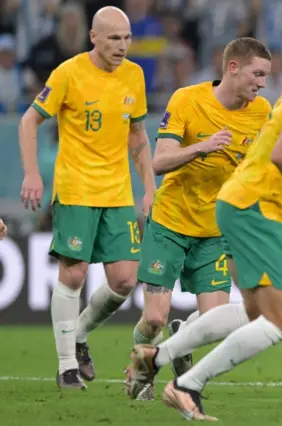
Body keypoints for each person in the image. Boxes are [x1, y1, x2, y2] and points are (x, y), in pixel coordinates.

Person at [125, 25, 282, 420]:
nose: (262, 83)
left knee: (253, 313)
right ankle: (186, 384)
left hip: (237, 203)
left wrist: (277, 217)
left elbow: (265, 148)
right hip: (252, 206)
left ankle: (156, 356)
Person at [18, 6, 156, 390]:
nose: (123, 46)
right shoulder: (69, 73)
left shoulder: (134, 75)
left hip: (117, 191)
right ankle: (66, 366)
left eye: (127, 38)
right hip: (76, 186)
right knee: (74, 273)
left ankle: (77, 335)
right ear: (93, 37)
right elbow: (29, 119)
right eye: (114, 38)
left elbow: (138, 137)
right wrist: (32, 173)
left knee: (126, 281)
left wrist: (149, 187)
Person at [130, 37, 272, 400]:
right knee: (153, 320)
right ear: (233, 68)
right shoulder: (187, 99)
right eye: (257, 74)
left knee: (216, 323)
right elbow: (158, 162)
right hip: (171, 223)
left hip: (214, 231)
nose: (262, 83)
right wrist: (202, 147)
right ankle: (141, 366)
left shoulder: (261, 112)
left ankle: (176, 342)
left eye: (266, 76)